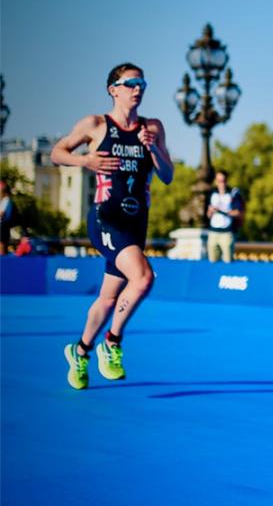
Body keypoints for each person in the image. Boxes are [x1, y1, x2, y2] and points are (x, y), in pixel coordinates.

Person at [51, 62, 173, 390]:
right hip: (106, 218)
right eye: (130, 83)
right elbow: (56, 153)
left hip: (136, 223)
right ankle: (112, 342)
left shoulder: (153, 128)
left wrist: (154, 148)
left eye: (142, 83)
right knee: (144, 278)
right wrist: (85, 161)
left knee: (107, 300)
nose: (138, 89)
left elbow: (167, 175)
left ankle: (79, 351)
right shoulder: (95, 124)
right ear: (113, 88)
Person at [206, 169, 244, 263]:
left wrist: (223, 211)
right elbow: (208, 214)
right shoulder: (212, 193)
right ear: (216, 181)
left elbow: (238, 212)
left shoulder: (232, 193)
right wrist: (211, 211)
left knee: (227, 261)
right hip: (213, 232)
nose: (221, 183)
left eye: (223, 181)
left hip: (227, 233)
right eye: (219, 181)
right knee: (212, 261)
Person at [0, 179, 15, 255]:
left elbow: (4, 215)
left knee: (2, 246)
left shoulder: (7, 201)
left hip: (3, 228)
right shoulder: (3, 201)